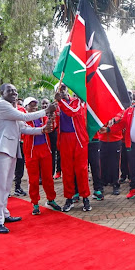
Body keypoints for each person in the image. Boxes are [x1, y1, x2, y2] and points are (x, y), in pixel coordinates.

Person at [0, 84, 54, 233]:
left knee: (6, 185)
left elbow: (23, 128)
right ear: (1, 93)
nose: (14, 93)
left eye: (15, 91)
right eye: (10, 90)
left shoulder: (13, 108)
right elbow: (25, 117)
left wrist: (42, 130)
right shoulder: (2, 105)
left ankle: (4, 214)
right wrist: (46, 111)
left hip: (9, 149)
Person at [22, 97, 62, 215]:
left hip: (45, 149)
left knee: (47, 178)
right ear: (26, 108)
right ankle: (35, 203)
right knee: (33, 179)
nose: (34, 107)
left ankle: (51, 199)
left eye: (35, 105)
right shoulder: (23, 119)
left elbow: (51, 127)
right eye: (31, 105)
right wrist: (43, 128)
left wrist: (51, 118)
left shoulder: (42, 117)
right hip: (31, 152)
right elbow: (27, 131)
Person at [55, 84, 91, 212]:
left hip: (78, 139)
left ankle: (85, 197)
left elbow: (73, 112)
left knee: (81, 169)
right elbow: (54, 123)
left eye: (63, 89)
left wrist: (60, 102)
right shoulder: (56, 105)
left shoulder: (77, 101)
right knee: (67, 170)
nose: (62, 91)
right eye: (59, 90)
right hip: (64, 139)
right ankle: (69, 198)